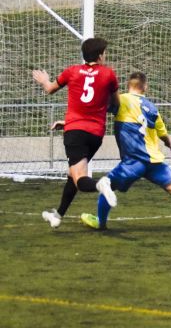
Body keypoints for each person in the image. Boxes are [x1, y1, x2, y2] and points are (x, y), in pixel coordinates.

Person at [74, 72, 171, 235]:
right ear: (145, 87)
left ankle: (101, 222)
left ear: (129, 85)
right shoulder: (152, 108)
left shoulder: (122, 100)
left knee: (107, 186)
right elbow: (163, 133)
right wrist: (170, 144)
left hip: (133, 162)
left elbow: (98, 110)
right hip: (154, 162)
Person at [32, 37, 120, 229]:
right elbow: (115, 104)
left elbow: (49, 89)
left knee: (80, 179)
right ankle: (58, 215)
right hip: (95, 134)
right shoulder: (108, 74)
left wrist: (44, 80)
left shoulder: (72, 71)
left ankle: (100, 185)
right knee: (72, 175)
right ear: (99, 56)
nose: (105, 56)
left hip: (75, 132)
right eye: (104, 53)